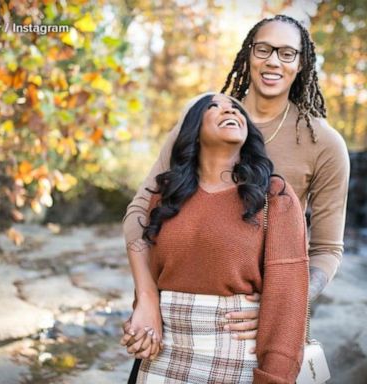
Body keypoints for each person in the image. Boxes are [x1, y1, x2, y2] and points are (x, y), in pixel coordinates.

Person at [121, 14, 350, 369]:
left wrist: (281, 308)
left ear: (302, 64)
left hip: (255, 329)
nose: (274, 60)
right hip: (176, 320)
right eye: (264, 49)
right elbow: (140, 211)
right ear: (248, 55)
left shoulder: (324, 144)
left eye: (287, 53)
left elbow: (326, 249)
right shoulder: (201, 120)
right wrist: (147, 296)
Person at [122, 92, 309, 383]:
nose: (230, 110)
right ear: (193, 132)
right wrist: (142, 320)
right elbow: (151, 275)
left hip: (236, 359)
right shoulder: (164, 196)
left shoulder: (275, 196)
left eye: (236, 108)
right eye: (214, 107)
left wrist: (275, 377)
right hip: (163, 357)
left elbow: (287, 300)